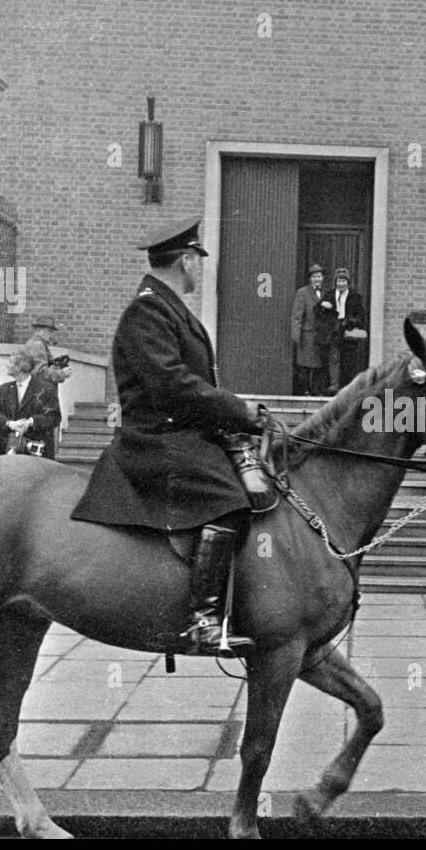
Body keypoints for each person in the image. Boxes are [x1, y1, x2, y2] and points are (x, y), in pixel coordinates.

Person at [71, 216, 265, 658]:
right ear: (184, 260)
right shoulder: (148, 311)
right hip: (157, 441)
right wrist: (237, 408)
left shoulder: (168, 308)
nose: (200, 268)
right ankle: (203, 620)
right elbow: (171, 386)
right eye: (197, 259)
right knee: (229, 500)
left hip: (184, 434)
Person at [0, 350, 61, 460]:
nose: (7, 365)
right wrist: (10, 424)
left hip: (36, 454)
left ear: (19, 367)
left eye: (10, 363)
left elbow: (54, 417)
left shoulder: (46, 389)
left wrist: (31, 422)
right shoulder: (4, 389)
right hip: (7, 452)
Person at [314, 267, 366, 394]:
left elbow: (361, 317)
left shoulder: (355, 297)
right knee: (334, 358)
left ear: (348, 283)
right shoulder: (329, 295)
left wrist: (350, 321)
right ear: (335, 282)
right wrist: (323, 306)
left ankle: (348, 388)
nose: (341, 284)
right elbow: (316, 311)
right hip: (333, 332)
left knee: (348, 361)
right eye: (339, 281)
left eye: (343, 281)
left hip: (347, 332)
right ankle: (334, 385)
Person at [290, 264, 326, 395]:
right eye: (314, 276)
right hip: (306, 334)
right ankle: (304, 390)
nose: (317, 279)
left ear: (323, 278)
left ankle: (316, 390)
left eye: (319, 276)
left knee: (318, 365)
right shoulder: (302, 293)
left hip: (321, 336)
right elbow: (296, 315)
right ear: (310, 279)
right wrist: (296, 335)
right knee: (305, 365)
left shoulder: (327, 293)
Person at [25, 315, 73, 385]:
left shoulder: (39, 344)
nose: (52, 334)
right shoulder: (37, 345)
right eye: (50, 331)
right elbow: (41, 373)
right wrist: (62, 373)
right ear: (39, 330)